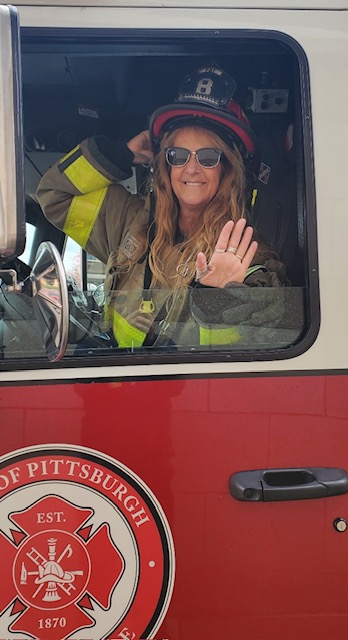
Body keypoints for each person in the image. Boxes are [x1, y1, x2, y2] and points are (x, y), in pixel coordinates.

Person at [36, 65, 291, 351]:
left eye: (208, 157)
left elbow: (260, 352)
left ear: (227, 169)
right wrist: (119, 154)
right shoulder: (128, 222)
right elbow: (54, 194)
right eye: (178, 155)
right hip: (117, 388)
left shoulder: (249, 257)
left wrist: (215, 300)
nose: (191, 168)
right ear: (165, 164)